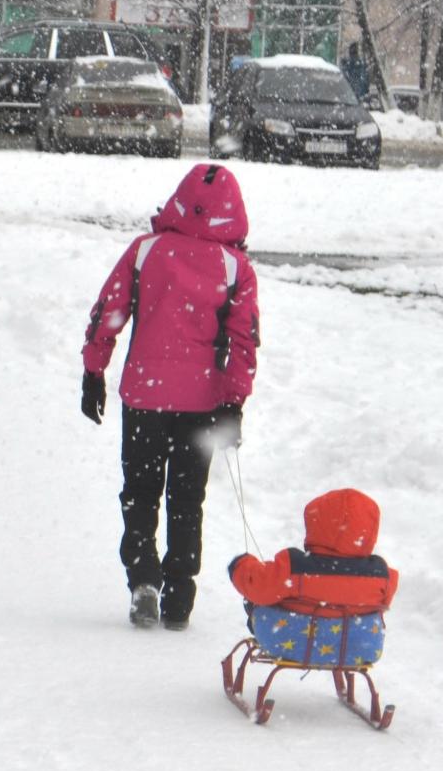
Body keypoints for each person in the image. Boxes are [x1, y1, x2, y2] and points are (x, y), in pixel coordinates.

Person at [81, 163, 260, 631]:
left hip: (144, 395)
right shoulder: (235, 268)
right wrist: (233, 402)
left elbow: (110, 310)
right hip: (201, 403)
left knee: (140, 492)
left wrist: (94, 370)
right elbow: (245, 342)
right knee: (186, 498)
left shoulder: (145, 252)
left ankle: (143, 579)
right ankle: (180, 592)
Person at [227, 488, 399, 620]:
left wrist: (241, 564)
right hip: (354, 646)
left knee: (261, 600)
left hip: (292, 639)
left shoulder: (295, 567)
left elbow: (257, 583)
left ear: (317, 526)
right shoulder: (382, 577)